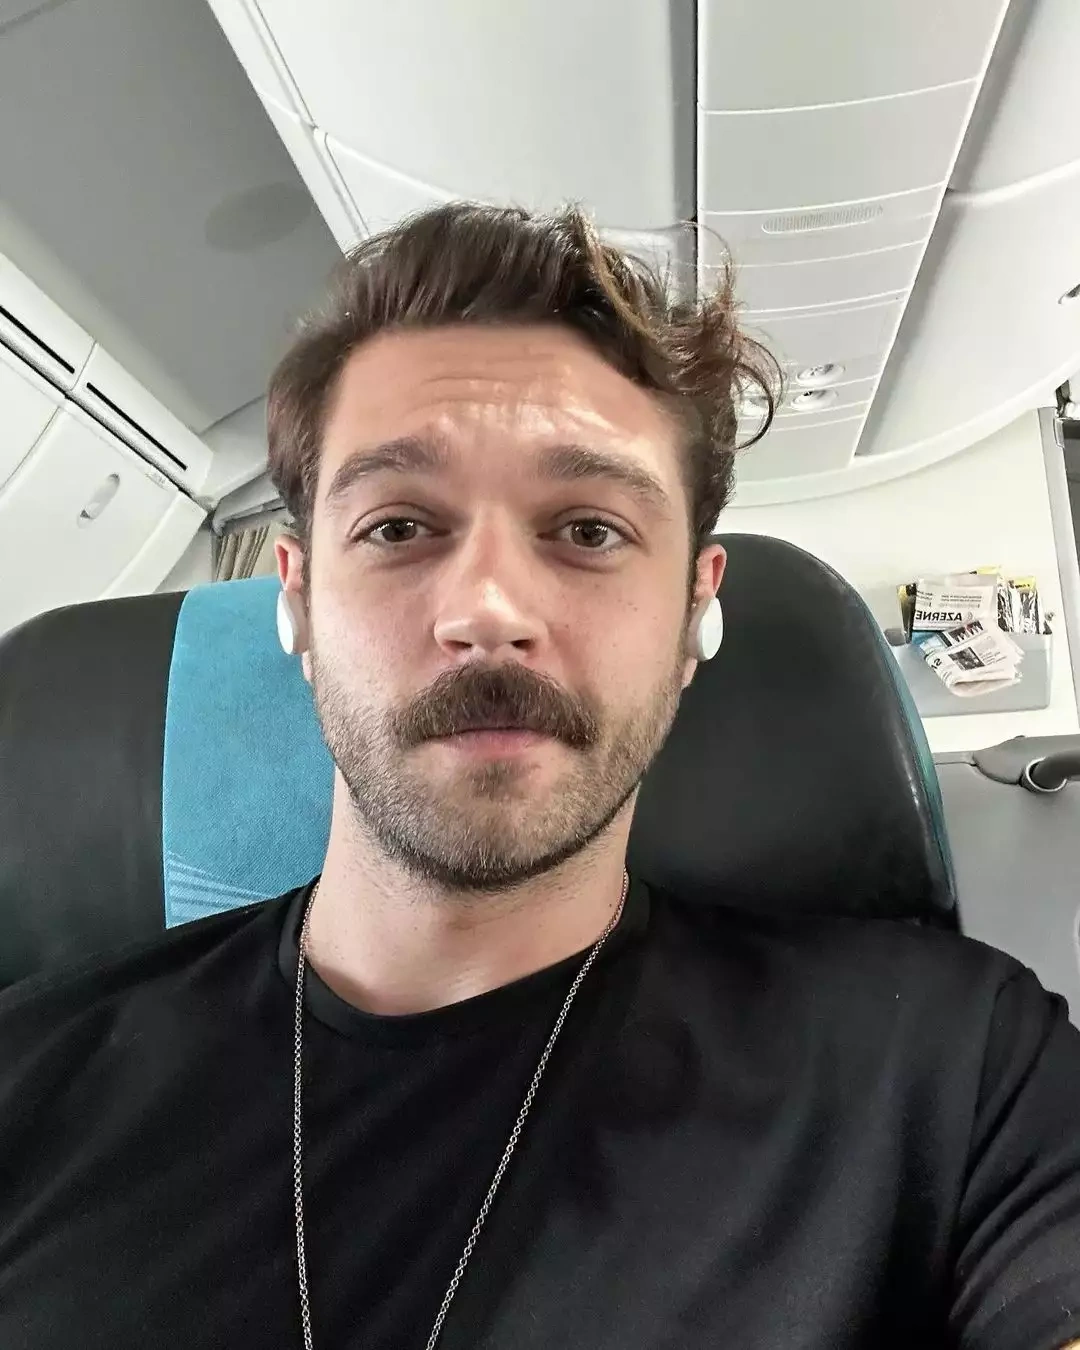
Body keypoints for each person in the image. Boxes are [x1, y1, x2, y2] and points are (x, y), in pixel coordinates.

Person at [1, 201, 1079, 1350]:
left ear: (694, 614)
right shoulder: (26, 1077)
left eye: (589, 530)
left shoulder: (953, 1074)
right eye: (399, 526)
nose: (488, 610)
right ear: (298, 602)